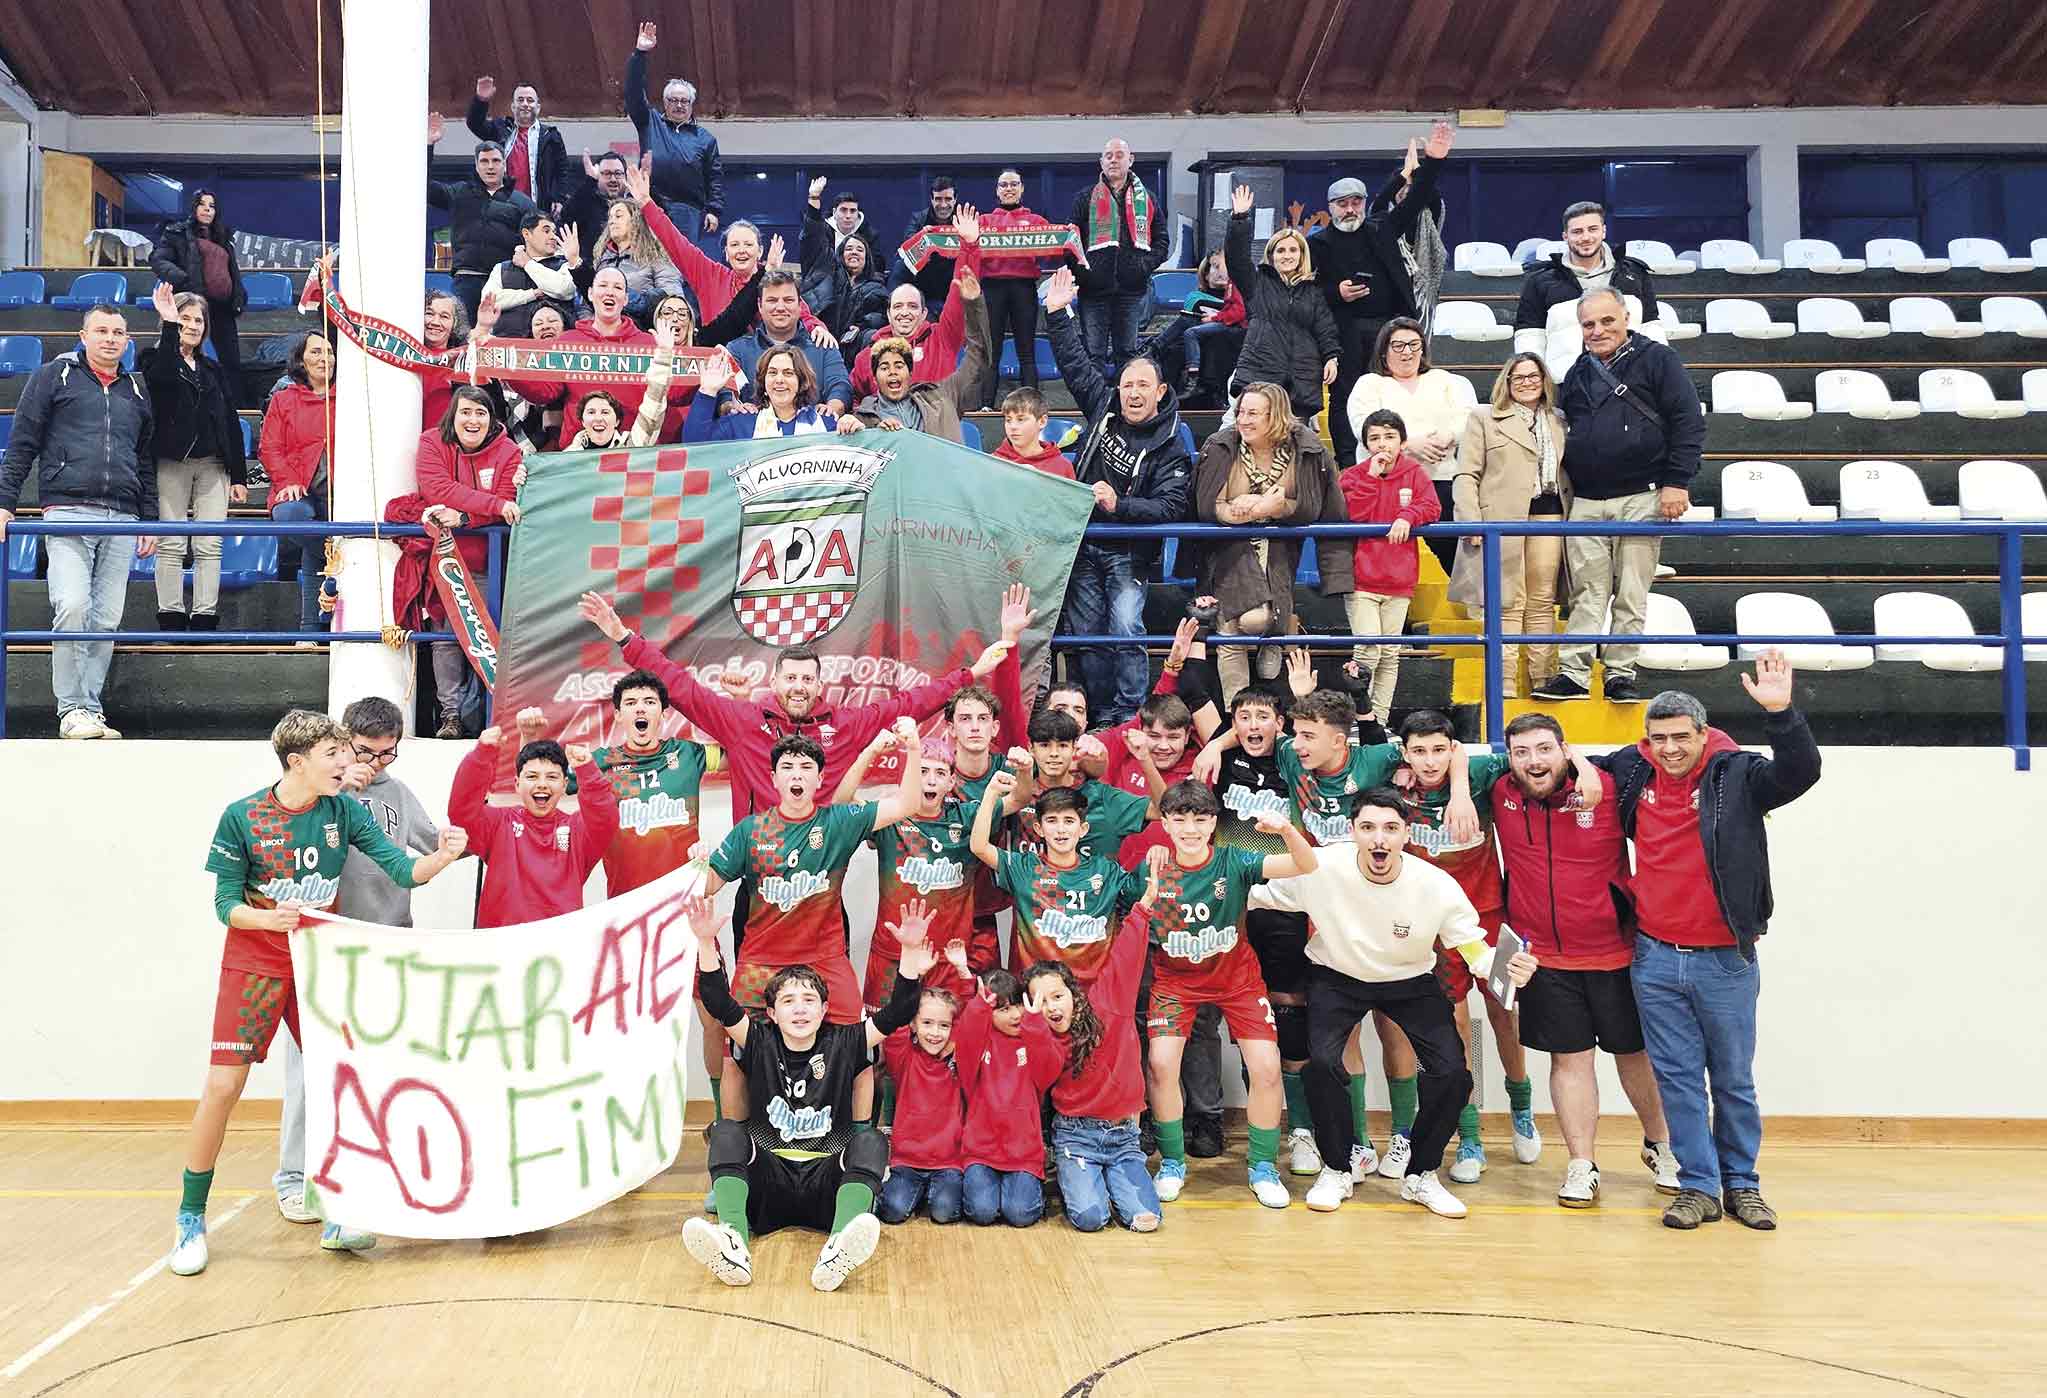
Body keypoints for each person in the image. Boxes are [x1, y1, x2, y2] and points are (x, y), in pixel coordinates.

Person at [174, 710, 467, 1276]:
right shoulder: (243, 817)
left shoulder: (344, 811)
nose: (347, 764)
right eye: (334, 754)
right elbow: (224, 906)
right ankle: (190, 1218)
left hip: (316, 963)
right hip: (255, 966)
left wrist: (443, 856)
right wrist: (268, 922)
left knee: (340, 1081)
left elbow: (403, 871)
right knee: (223, 1084)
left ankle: (338, 1208)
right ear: (297, 762)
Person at [1593, 656, 1820, 1231]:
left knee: (1734, 1081)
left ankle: (1743, 1185)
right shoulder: (1633, 770)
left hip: (1726, 960)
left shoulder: (1737, 774)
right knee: (1677, 1080)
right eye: (1658, 738)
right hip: (1654, 958)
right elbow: (1564, 769)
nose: (1669, 749)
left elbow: (1800, 772)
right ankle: (1697, 1186)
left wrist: (1781, 713)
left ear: (1702, 733)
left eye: (1679, 738)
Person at [1251, 787, 1536, 1218]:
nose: (1378, 839)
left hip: (1410, 980)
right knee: (1323, 1064)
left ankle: (1421, 1175)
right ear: (1353, 832)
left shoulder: (1436, 885)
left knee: (1453, 1073)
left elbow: (1473, 948)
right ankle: (1337, 1168)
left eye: (1390, 828)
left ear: (1406, 834)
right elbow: (1251, 890)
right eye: (1367, 828)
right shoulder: (1321, 866)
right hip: (1336, 976)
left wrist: (1506, 969)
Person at [682, 891, 929, 1291]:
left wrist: (911, 953)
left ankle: (838, 1245)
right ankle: (734, 1242)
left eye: (809, 1000)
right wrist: (706, 942)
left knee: (870, 1141)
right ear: (773, 1012)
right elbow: (715, 999)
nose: (800, 1008)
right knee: (726, 1132)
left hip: (825, 1183)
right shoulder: (758, 1039)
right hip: (770, 1180)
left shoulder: (847, 1041)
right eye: (789, 1001)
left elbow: (899, 1011)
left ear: (824, 1009)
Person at [577, 592, 1011, 817]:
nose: (799, 686)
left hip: (826, 871)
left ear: (820, 685)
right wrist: (623, 638)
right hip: (758, 869)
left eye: (807, 679)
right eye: (791, 679)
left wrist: (970, 675)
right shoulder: (742, 720)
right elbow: (680, 686)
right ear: (776, 682)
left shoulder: (847, 725)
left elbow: (912, 702)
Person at [272, 695, 447, 1224]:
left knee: (389, 1066)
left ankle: (375, 1167)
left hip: (390, 942)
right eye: (365, 752)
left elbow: (431, 846)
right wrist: (340, 790)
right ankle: (295, 1177)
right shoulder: (314, 795)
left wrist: (457, 840)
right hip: (326, 945)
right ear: (342, 743)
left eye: (387, 754)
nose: (375, 764)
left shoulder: (399, 793)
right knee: (310, 1066)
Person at [1494, 712, 1680, 1206]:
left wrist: (1585, 765)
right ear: (1509, 759)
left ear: (1565, 750)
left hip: (1617, 952)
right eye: (1521, 752)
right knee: (1569, 1061)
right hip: (1543, 960)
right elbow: (1440, 760)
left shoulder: (1612, 788)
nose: (1534, 761)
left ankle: (1661, 1146)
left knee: (1636, 1058)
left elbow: (1646, 749)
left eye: (1545, 749)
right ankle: (1581, 1164)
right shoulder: (1500, 792)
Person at [1144, 781, 1320, 1208]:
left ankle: (1262, 1167)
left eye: (1200, 819)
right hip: (1175, 982)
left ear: (1214, 823)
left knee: (1266, 1068)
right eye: (1180, 819)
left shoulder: (1234, 857)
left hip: (1237, 980)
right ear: (1165, 822)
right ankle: (1172, 1164)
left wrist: (1285, 830)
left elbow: (1306, 864)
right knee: (1161, 1063)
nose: (1190, 828)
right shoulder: (1154, 868)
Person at [698, 727, 923, 1045]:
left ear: (819, 779)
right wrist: (696, 861)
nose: (796, 776)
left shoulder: (839, 822)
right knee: (737, 1054)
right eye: (787, 768)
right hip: (760, 961)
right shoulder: (750, 830)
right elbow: (706, 885)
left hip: (826, 960)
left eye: (806, 768)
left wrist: (913, 749)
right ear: (774, 778)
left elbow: (907, 804)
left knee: (859, 1049)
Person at [1532, 289, 1704, 704]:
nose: (1598, 330)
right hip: (1588, 499)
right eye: (1589, 324)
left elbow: (1688, 421)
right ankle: (1574, 674)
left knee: (1631, 591)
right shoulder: (1578, 371)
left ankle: (1620, 673)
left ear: (1626, 317)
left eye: (1607, 321)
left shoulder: (1658, 359)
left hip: (1642, 496)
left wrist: (1676, 482)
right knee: (1585, 592)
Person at [1042, 264, 1193, 727]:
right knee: (1086, 634)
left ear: (1160, 390)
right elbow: (1075, 365)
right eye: (1127, 384)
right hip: (1084, 545)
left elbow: (1171, 506)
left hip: (1128, 552)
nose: (1132, 392)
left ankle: (1129, 713)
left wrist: (1118, 504)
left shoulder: (1171, 442)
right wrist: (1056, 314)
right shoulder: (1105, 408)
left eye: (1142, 385)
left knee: (1126, 629)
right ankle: (1099, 710)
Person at [0, 303, 155, 739]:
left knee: (106, 619)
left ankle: (90, 709)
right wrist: (4, 501)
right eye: (101, 330)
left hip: (122, 517)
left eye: (118, 332)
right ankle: (71, 711)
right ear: (83, 336)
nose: (110, 338)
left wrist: (149, 518)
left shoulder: (137, 391)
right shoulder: (53, 376)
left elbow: (143, 459)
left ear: (128, 341)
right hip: (66, 511)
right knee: (72, 608)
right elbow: (23, 443)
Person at [1024, 849, 1167, 1232]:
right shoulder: (1042, 1037)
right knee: (1090, 1218)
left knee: (1145, 1219)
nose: (1050, 1007)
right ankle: (1084, 1180)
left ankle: (1118, 1175)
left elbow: (1126, 954)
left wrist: (1145, 905)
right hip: (1075, 1136)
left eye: (1056, 995)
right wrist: (1035, 1026)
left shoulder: (1108, 1005)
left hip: (1123, 1136)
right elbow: (1039, 1076)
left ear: (1073, 993)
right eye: (1039, 1000)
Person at [1194, 381, 1351, 703]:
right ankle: (1234, 710)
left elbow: (1317, 506)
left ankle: (1279, 631)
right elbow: (1205, 504)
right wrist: (1251, 510)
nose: (1243, 420)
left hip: (1280, 550)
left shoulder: (1306, 449)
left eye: (1253, 413)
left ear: (1275, 416)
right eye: (1241, 412)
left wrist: (1278, 507)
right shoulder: (1220, 445)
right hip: (1228, 551)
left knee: (1257, 621)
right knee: (1230, 631)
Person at [1312, 122, 1453, 468]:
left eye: (1355, 202)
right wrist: (1337, 292)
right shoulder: (1318, 243)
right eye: (1342, 204)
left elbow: (1416, 198)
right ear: (1331, 207)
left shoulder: (1382, 227)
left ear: (1364, 204)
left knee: (1392, 394)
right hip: (1343, 332)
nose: (1349, 209)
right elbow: (1310, 292)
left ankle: (1397, 456)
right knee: (1345, 398)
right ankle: (1348, 463)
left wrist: (1432, 162)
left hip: (1389, 329)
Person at [1454, 354, 1570, 698]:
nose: (1526, 382)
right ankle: (1503, 682)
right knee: (1506, 601)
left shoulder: (1558, 420)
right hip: (1501, 520)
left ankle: (1542, 679)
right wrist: (1469, 521)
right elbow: (1466, 474)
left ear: (1544, 380)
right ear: (1506, 382)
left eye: (1533, 376)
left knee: (1542, 599)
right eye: (1517, 377)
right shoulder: (1484, 418)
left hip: (1550, 516)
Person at [415, 386, 524, 735]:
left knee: (493, 641)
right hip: (446, 561)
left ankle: (489, 718)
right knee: (445, 639)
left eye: (481, 413)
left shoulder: (509, 451)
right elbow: (437, 489)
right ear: (453, 415)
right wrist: (489, 506)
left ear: (491, 419)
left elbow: (508, 502)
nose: (473, 420)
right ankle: (450, 716)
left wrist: (463, 518)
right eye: (466, 412)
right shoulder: (432, 442)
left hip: (493, 566)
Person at [448, 715, 619, 928]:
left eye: (552, 777)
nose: (542, 784)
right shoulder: (499, 823)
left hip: (559, 948)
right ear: (517, 784)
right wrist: (482, 755)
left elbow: (605, 818)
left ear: (565, 784)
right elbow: (461, 812)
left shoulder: (577, 829)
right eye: (532, 777)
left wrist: (587, 770)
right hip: (500, 947)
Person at [143, 284, 246, 633]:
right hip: (172, 461)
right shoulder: (153, 359)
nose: (193, 325)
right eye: (184, 318)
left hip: (214, 464)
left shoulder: (214, 369)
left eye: (198, 320)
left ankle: (204, 617)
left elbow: (230, 419)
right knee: (171, 542)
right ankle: (170, 616)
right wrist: (169, 325)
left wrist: (241, 475)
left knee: (209, 542)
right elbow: (165, 378)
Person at [1345, 317, 1476, 567]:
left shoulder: (1443, 379)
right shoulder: (1369, 384)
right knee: (1384, 557)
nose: (1407, 352)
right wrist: (1410, 444)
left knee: (1456, 557)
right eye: (1398, 346)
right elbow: (1363, 429)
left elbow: (1466, 416)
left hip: (1440, 479)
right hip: (1387, 482)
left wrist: (1449, 435)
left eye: (1414, 345)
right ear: (1384, 351)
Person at [1338, 408, 1441, 725]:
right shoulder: (1353, 476)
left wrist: (1407, 516)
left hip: (1399, 581)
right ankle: (1358, 719)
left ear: (1403, 441)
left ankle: (1377, 724)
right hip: (1362, 581)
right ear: (1366, 444)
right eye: (1374, 438)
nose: (1382, 444)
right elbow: (1354, 513)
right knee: (1368, 651)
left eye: (1389, 437)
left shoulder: (1414, 473)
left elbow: (1432, 506)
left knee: (1389, 655)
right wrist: (1371, 476)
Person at [948, 960, 1063, 1227]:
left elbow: (1049, 1070)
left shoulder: (1034, 1037)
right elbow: (966, 1037)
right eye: (1004, 1009)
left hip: (1023, 1153)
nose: (1015, 1015)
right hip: (981, 1152)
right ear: (989, 1013)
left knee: (1021, 1215)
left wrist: (1035, 1023)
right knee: (982, 1213)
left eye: (1018, 1005)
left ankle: (1029, 1191)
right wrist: (978, 1007)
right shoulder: (979, 1042)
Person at [1223, 185, 1338, 426]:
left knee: (1294, 451)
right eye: (1281, 250)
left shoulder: (1314, 291)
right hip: (1260, 376)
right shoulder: (1257, 283)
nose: (1287, 255)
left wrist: (1331, 357)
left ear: (1301, 255)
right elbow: (1236, 258)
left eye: (1293, 250)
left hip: (1301, 381)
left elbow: (1325, 329)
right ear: (1271, 254)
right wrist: (1240, 219)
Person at [847, 266, 992, 445]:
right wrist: (854, 424)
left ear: (910, 371)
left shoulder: (942, 395)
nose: (892, 372)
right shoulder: (865, 415)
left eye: (899, 366)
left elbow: (978, 357)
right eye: (884, 367)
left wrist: (973, 304)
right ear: (874, 378)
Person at [846, 222, 985, 401]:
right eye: (897, 306)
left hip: (935, 427)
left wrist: (969, 246)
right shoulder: (868, 355)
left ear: (924, 313)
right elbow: (853, 399)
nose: (904, 312)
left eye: (912, 306)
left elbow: (959, 292)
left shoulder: (941, 339)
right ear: (888, 314)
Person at [1069, 138, 1168, 379]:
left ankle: (1126, 412)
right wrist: (1085, 275)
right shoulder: (1084, 197)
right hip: (1093, 292)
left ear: (1130, 160)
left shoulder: (1149, 199)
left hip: (1132, 292)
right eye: (1108, 155)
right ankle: (1097, 411)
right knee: (1094, 355)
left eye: (1119, 155)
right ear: (1101, 162)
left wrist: (1141, 267)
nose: (1113, 159)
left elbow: (1162, 242)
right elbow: (1070, 243)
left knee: (1128, 353)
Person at [426, 113, 538, 321]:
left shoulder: (523, 203)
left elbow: (537, 245)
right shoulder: (459, 193)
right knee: (462, 336)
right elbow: (424, 187)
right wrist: (429, 145)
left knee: (503, 339)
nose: (490, 166)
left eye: (496, 161)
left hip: (506, 283)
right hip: (466, 280)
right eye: (484, 161)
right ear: (476, 166)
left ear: (504, 165)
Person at [258, 332, 333, 638]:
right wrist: (287, 481)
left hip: (340, 490)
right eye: (316, 351)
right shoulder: (284, 398)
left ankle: (310, 630)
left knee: (316, 544)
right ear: (301, 359)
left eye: (329, 351)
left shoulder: (350, 395)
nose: (324, 358)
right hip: (297, 487)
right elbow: (270, 447)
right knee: (293, 517)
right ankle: (336, 561)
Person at [875, 977, 967, 1225]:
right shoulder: (904, 1059)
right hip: (907, 1162)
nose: (935, 1033)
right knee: (892, 1212)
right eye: (927, 1023)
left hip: (948, 1162)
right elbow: (894, 1027)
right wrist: (912, 980)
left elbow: (972, 1023)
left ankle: (932, 1196)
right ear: (913, 1024)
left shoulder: (959, 1061)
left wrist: (962, 974)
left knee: (944, 1213)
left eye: (944, 1025)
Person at [624, 21, 723, 241]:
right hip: (649, 203)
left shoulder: (706, 139)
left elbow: (714, 178)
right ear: (665, 103)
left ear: (691, 105)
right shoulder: (649, 121)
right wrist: (640, 54)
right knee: (645, 262)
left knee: (680, 269)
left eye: (684, 101)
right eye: (673, 100)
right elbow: (632, 93)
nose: (679, 105)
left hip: (687, 211)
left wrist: (714, 210)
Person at [148, 189, 247, 404]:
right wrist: (183, 280)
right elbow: (158, 260)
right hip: (193, 305)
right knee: (182, 351)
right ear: (193, 208)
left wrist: (239, 296)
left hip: (223, 308)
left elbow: (233, 273)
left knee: (231, 360)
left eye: (211, 206)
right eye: (202, 204)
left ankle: (233, 405)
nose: (207, 209)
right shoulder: (177, 233)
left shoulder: (224, 239)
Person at [1514, 200, 1660, 333]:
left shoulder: (1635, 273)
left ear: (1604, 231)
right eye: (1577, 232)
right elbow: (1529, 336)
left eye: (1592, 229)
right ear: (1565, 237)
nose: (1585, 237)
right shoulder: (1539, 281)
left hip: (1629, 362)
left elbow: (1651, 327)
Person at [724, 268, 854, 416]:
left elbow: (841, 387)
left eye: (788, 300)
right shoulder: (737, 350)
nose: (780, 307)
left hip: (813, 437)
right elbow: (724, 394)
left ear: (800, 306)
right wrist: (733, 407)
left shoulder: (823, 346)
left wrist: (832, 409)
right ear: (760, 306)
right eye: (772, 300)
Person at [978, 168, 1054, 408]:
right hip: (992, 288)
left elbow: (1053, 252)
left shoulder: (1036, 222)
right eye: (1004, 185)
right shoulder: (984, 221)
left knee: (1026, 350)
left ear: (1022, 188)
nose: (1009, 188)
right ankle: (986, 405)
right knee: (991, 351)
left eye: (1013, 184)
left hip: (1024, 287)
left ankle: (1032, 406)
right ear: (997, 191)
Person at [566, 316, 676, 450]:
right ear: (582, 421)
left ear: (617, 421)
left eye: (605, 412)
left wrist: (664, 356)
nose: (598, 418)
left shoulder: (631, 446)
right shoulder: (567, 459)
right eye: (591, 412)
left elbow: (653, 408)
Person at [685, 345, 840, 440]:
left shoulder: (826, 423)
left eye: (788, 373)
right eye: (772, 373)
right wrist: (708, 392)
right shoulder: (742, 423)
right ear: (763, 382)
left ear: (801, 382)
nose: (779, 380)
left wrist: (852, 427)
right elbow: (695, 446)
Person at [466, 75, 569, 217]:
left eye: (530, 100)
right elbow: (475, 124)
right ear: (513, 107)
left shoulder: (551, 136)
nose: (525, 104)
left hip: (538, 209)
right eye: (520, 100)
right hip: (503, 208)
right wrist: (481, 101)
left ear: (538, 108)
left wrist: (559, 198)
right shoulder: (500, 129)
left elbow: (562, 171)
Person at [581, 197, 686, 321]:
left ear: (636, 221)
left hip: (640, 329)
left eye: (618, 216)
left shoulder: (657, 256)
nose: (611, 222)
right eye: (610, 217)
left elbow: (672, 300)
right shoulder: (601, 260)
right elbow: (585, 303)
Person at [1164, 251, 1244, 407]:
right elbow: (1196, 315)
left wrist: (1218, 316)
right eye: (1216, 267)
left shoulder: (1240, 297)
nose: (1222, 271)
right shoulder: (1196, 297)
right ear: (1206, 274)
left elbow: (1239, 314)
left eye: (1226, 267)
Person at [482, 210, 580, 339]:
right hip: (509, 348)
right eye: (546, 231)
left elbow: (564, 289)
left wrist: (528, 264)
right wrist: (532, 294)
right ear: (526, 234)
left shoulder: (565, 264)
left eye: (554, 232)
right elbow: (488, 302)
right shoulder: (502, 268)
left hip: (556, 351)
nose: (553, 237)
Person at [802, 226, 890, 360]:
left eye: (860, 250)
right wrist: (814, 212)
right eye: (849, 249)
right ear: (841, 254)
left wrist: (860, 327)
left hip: (852, 348)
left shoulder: (877, 288)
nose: (854, 252)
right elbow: (814, 242)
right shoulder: (828, 274)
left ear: (867, 258)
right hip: (819, 339)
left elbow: (880, 317)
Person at [896, 175, 962, 311]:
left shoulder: (964, 220)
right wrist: (921, 238)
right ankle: (894, 305)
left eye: (948, 199)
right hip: (926, 279)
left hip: (953, 279)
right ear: (931, 200)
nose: (943, 205)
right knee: (900, 264)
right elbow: (906, 249)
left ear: (955, 200)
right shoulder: (919, 219)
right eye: (938, 199)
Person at [800, 178, 885, 279]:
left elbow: (877, 267)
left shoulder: (870, 235)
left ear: (858, 214)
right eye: (843, 210)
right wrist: (814, 197)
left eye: (852, 211)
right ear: (835, 212)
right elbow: (810, 232)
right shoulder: (822, 231)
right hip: (825, 283)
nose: (848, 215)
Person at [561, 149, 633, 261]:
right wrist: (590, 182)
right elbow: (567, 217)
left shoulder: (635, 206)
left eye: (618, 173)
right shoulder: (585, 203)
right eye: (607, 174)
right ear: (598, 177)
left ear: (625, 177)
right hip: (591, 273)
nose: (613, 179)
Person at [993, 386, 1076, 477]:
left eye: (1021, 419)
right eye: (1008, 420)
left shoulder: (1062, 466)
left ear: (1042, 421)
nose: (1013, 427)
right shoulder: (992, 462)